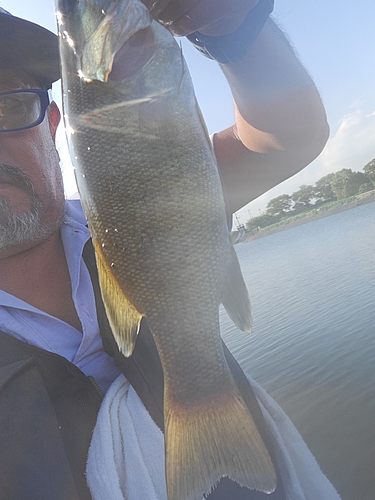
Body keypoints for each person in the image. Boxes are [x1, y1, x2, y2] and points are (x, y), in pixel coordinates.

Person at [0, 2, 339, 499]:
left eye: (5, 107)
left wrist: (237, 29)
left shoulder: (137, 205)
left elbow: (286, 137)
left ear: (53, 123)